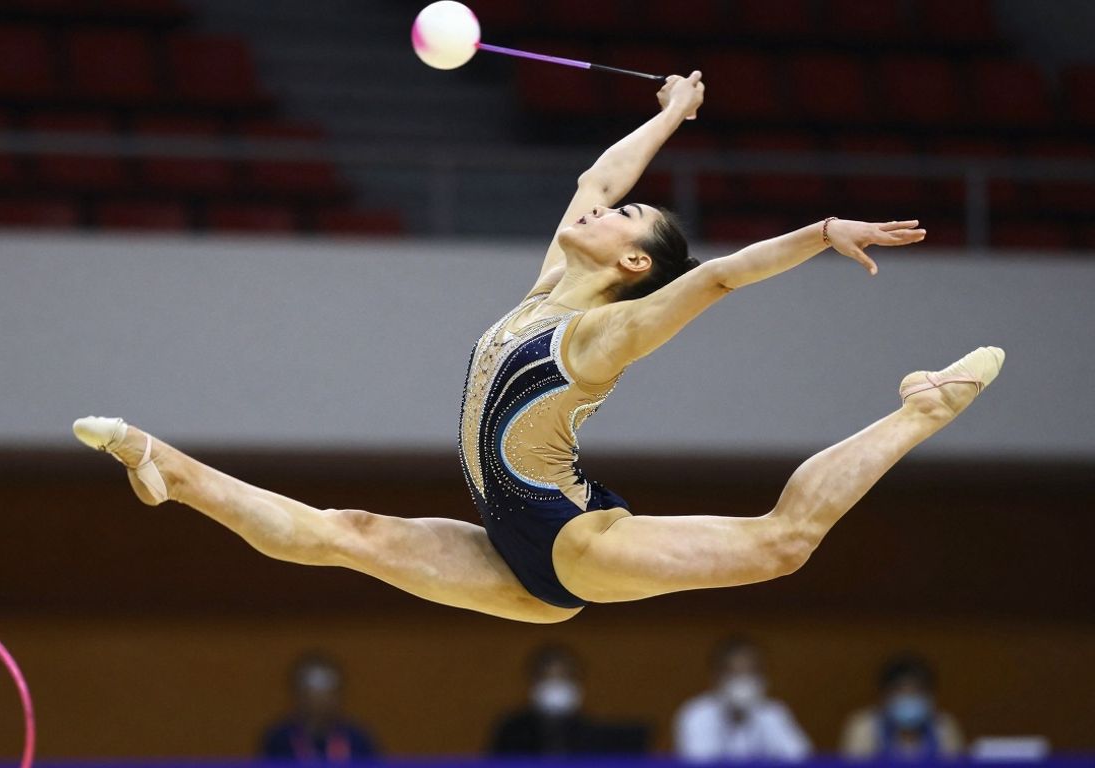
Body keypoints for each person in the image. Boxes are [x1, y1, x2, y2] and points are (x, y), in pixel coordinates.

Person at [73, 71, 1005, 624]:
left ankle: (924, 407)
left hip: (568, 543)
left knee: (783, 547)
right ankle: (160, 462)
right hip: (509, 547)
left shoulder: (605, 330)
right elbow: (597, 173)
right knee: (343, 535)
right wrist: (673, 114)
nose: (597, 209)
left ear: (633, 260)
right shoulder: (552, 288)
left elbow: (715, 277)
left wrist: (820, 230)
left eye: (622, 217)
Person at [488, 644, 647, 756]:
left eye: (564, 677)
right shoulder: (512, 730)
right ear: (534, 681)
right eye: (548, 678)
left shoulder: (591, 732)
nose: (556, 685)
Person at [673, 637, 811, 762]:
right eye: (736, 674)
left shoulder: (773, 712)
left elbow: (800, 757)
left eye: (751, 673)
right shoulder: (696, 714)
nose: (744, 682)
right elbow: (699, 761)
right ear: (717, 678)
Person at [840, 653, 964, 761]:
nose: (909, 699)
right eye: (901, 692)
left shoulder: (943, 728)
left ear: (930, 697)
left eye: (916, 692)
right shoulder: (864, 727)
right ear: (885, 696)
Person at [259, 653, 379, 763]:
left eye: (328, 693)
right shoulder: (279, 739)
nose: (320, 701)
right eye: (312, 693)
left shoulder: (357, 738)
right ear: (298, 695)